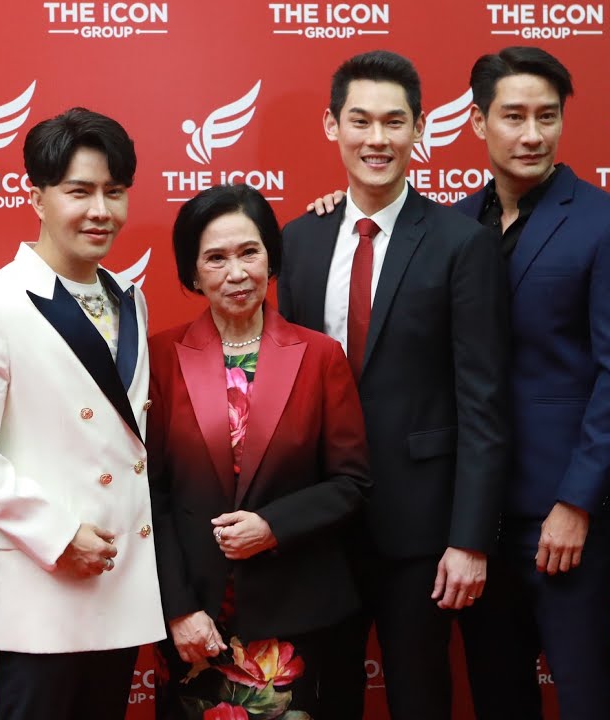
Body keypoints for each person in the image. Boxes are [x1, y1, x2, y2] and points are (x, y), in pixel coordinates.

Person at [278, 50, 511, 718]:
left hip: (422, 530)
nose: (376, 139)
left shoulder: (461, 243)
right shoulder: (299, 241)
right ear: (332, 125)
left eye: (393, 122)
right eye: (360, 121)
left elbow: (484, 402)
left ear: (419, 129)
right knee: (324, 700)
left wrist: (470, 539)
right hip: (319, 529)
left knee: (419, 696)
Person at [0, 108, 164, 720]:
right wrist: (57, 536)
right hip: (45, 579)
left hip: (119, 576)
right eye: (79, 191)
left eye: (115, 192)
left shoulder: (130, 298)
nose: (100, 211)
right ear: (36, 197)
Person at [447, 47, 610, 720]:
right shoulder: (447, 225)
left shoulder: (609, 223)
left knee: (586, 692)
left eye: (548, 116)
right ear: (478, 122)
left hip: (564, 514)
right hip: (473, 517)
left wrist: (577, 503)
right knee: (497, 695)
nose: (532, 134)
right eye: (513, 116)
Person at [148, 184, 371, 719]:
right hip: (197, 622)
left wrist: (273, 525)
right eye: (216, 258)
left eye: (249, 252)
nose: (237, 272)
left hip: (297, 615)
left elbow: (352, 483)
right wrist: (178, 609)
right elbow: (150, 494)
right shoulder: (160, 356)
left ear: (271, 258)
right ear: (192, 272)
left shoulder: (320, 355)